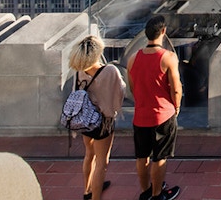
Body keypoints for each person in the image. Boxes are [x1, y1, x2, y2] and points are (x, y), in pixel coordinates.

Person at [128, 15, 183, 200]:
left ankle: (145, 191)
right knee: (160, 157)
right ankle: (158, 194)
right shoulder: (168, 57)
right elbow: (176, 88)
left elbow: (133, 87)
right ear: (163, 31)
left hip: (140, 115)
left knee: (141, 156)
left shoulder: (133, 58)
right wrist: (177, 106)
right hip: (162, 115)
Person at [70, 35, 125, 200]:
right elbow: (120, 92)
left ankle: (87, 190)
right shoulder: (109, 71)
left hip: (86, 118)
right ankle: (95, 196)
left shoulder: (80, 70)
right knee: (102, 162)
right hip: (103, 121)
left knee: (89, 154)